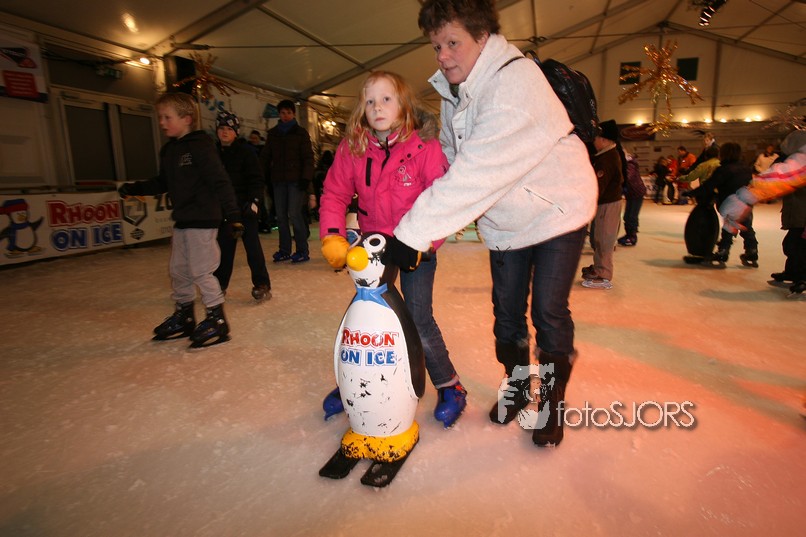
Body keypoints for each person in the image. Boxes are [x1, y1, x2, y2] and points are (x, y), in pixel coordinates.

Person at [385, 0, 597, 447]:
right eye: (436, 46)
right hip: (506, 217)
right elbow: (452, 156)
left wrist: (412, 232)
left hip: (558, 208)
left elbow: (476, 172)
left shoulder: (514, 84)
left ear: (483, 37)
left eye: (453, 43)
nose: (443, 56)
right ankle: (517, 386)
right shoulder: (456, 89)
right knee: (507, 312)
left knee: (548, 310)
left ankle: (551, 402)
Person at [318, 70, 467, 428]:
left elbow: (443, 199)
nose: (377, 107)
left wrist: (425, 242)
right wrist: (333, 235)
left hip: (415, 242)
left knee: (417, 316)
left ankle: (449, 385)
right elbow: (335, 193)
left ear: (403, 104)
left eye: (386, 99)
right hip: (375, 245)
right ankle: (357, 379)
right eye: (370, 101)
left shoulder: (424, 147)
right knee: (368, 314)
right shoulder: (354, 147)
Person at [117, 93, 243, 348]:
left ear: (186, 118)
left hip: (204, 219)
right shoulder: (169, 150)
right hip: (183, 219)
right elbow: (162, 182)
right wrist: (135, 188)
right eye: (160, 117)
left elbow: (219, 180)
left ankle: (217, 319)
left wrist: (233, 216)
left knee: (202, 271)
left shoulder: (201, 146)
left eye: (167, 117)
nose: (162, 123)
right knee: (178, 270)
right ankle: (185, 315)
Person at [720, 130, 806, 294]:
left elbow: (782, 175)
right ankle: (792, 272)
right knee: (791, 245)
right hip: (796, 214)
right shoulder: (793, 162)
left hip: (802, 216)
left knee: (798, 246)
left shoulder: (800, 164)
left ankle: (801, 276)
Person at [212, 111, 272, 300]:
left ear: (236, 132)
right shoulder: (213, 154)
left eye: (229, 129)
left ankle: (262, 284)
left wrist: (254, 202)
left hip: (245, 209)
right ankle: (220, 284)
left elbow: (256, 179)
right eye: (221, 128)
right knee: (224, 249)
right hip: (225, 211)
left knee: (252, 248)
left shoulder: (246, 152)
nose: (225, 132)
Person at [260, 99, 315, 263]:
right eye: (283, 113)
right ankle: (284, 250)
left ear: (293, 114)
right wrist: (262, 176)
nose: (285, 116)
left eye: (289, 113)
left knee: (294, 213)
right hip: (278, 180)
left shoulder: (301, 133)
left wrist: (306, 178)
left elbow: (308, 157)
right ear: (279, 114)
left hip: (296, 181)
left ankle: (302, 250)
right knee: (281, 216)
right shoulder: (273, 134)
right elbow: (265, 157)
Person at [686, 142, 757, 266]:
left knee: (728, 228)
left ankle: (723, 252)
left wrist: (691, 193)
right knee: (746, 226)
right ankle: (752, 251)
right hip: (746, 202)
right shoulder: (746, 168)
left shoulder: (723, 169)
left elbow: (709, 186)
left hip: (731, 202)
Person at [581, 119, 624, 289]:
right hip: (605, 203)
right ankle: (599, 266)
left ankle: (604, 272)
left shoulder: (607, 159)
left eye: (597, 138)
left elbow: (599, 186)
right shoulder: (606, 155)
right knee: (599, 237)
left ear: (604, 140)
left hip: (608, 204)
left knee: (605, 238)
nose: (594, 141)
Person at [617, 150, 647, 246]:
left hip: (637, 193)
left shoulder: (630, 164)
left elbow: (628, 177)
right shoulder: (626, 164)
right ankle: (628, 234)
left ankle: (632, 236)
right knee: (627, 216)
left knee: (632, 216)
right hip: (631, 193)